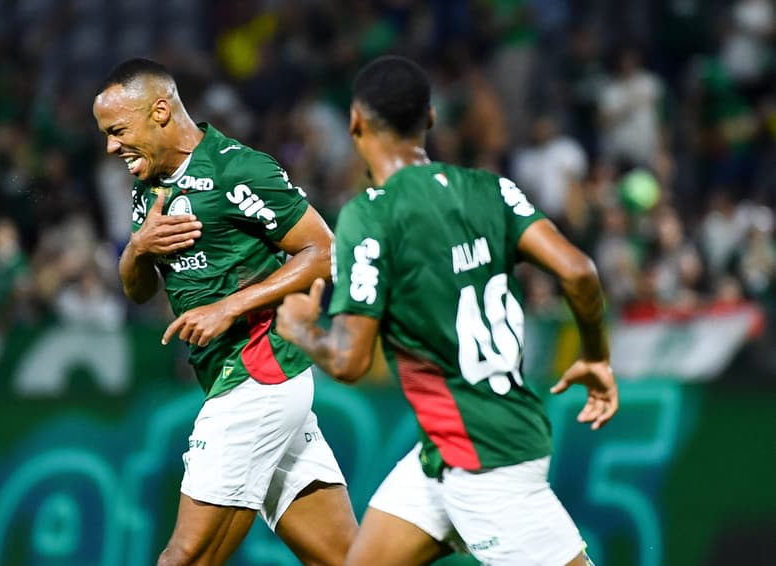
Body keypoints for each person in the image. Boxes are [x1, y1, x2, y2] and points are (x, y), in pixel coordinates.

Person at [276, 55, 617, 566]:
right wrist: (596, 356)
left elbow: (348, 360)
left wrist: (303, 330)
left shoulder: (371, 215)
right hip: (446, 451)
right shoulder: (491, 189)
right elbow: (580, 273)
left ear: (355, 122)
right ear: (430, 118)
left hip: (485, 462)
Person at [92, 58, 357, 566]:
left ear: (161, 111)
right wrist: (136, 249)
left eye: (118, 131)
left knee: (183, 558)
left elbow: (324, 250)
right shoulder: (148, 185)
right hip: (246, 381)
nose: (110, 147)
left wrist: (228, 307)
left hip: (257, 374)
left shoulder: (239, 169)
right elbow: (138, 291)